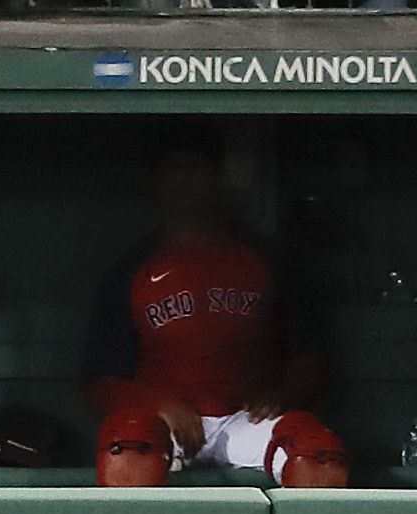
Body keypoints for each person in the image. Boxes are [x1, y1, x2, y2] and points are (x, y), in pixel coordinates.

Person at [82, 127, 347, 489]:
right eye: (174, 170)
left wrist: (283, 394)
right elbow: (98, 380)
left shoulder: (263, 260)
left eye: (195, 169)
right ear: (156, 180)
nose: (184, 182)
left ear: (217, 177)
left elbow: (310, 354)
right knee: (128, 448)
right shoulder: (132, 269)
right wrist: (159, 403)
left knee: (314, 453)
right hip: (166, 426)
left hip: (245, 420)